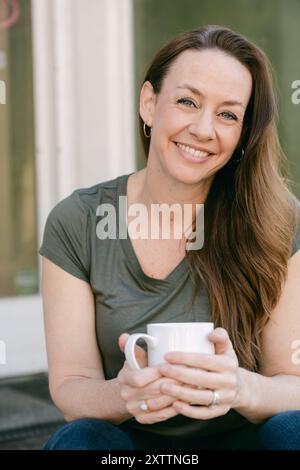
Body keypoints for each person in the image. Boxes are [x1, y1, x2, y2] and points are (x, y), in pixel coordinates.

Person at [39, 25, 300, 450]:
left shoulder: (277, 219)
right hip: (131, 452)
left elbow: (294, 384)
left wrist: (239, 388)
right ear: (149, 103)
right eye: (187, 102)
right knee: (78, 440)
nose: (202, 128)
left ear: (242, 135)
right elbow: (71, 387)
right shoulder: (78, 221)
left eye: (228, 114)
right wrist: (124, 393)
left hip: (246, 443)